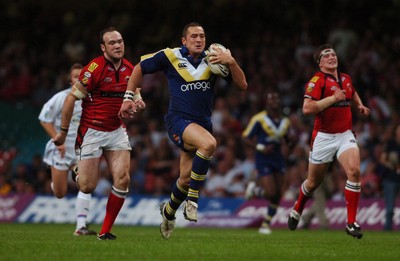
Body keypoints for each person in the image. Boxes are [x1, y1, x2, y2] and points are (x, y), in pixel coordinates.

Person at [119, 22, 247, 239]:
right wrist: (128, 97)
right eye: (194, 36)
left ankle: (168, 212)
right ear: (184, 40)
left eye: (202, 36)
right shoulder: (170, 56)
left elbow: (242, 85)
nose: (199, 40)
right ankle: (193, 201)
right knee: (209, 144)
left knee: (185, 180)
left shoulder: (214, 59)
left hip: (202, 125)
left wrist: (232, 62)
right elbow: (139, 67)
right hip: (178, 121)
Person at [53, 27, 144, 240]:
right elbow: (70, 100)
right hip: (92, 130)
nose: (117, 45)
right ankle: (77, 171)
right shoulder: (93, 68)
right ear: (103, 47)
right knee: (87, 185)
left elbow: (135, 90)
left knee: (123, 179)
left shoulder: (130, 68)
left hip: (116, 130)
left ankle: (105, 231)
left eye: (120, 41)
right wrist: (63, 133)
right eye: (112, 43)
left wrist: (137, 100)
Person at [287, 43, 370, 239]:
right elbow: (307, 108)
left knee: (355, 172)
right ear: (320, 63)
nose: (332, 57)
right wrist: (333, 99)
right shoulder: (317, 80)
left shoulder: (346, 78)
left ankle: (351, 223)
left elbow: (352, 92)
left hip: (344, 134)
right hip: (323, 136)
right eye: (326, 55)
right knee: (314, 183)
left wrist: (360, 105)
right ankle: (298, 206)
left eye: (333, 54)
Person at [39, 63, 96, 236]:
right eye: (76, 76)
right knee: (60, 192)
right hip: (62, 150)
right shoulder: (61, 98)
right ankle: (58, 177)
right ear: (70, 80)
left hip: (83, 149)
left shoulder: (92, 98)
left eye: (82, 76)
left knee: (86, 184)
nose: (80, 79)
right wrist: (59, 140)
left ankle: (80, 227)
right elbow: (44, 119)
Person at [242, 91, 293, 234]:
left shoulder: (285, 121)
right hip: (263, 158)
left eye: (277, 98)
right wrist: (260, 147)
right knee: (271, 192)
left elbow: (289, 140)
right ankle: (256, 190)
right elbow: (245, 138)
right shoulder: (259, 119)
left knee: (278, 194)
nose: (275, 101)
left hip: (278, 158)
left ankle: (265, 225)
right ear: (267, 102)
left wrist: (289, 145)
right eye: (272, 98)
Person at [378, 124, 400, 231]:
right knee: (390, 208)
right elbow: (382, 159)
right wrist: (391, 165)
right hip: (390, 179)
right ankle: (388, 229)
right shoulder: (391, 144)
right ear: (396, 132)